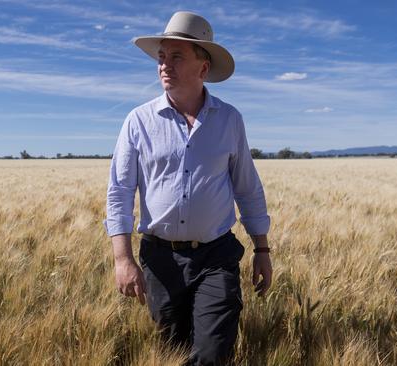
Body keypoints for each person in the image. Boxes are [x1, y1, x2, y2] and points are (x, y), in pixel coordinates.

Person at [103, 11, 272, 366]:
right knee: (173, 348)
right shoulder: (138, 121)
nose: (165, 65)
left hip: (216, 255)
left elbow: (247, 187)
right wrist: (123, 259)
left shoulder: (229, 120)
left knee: (212, 352)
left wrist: (262, 248)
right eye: (162, 57)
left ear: (203, 68)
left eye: (177, 56)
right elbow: (119, 192)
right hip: (160, 258)